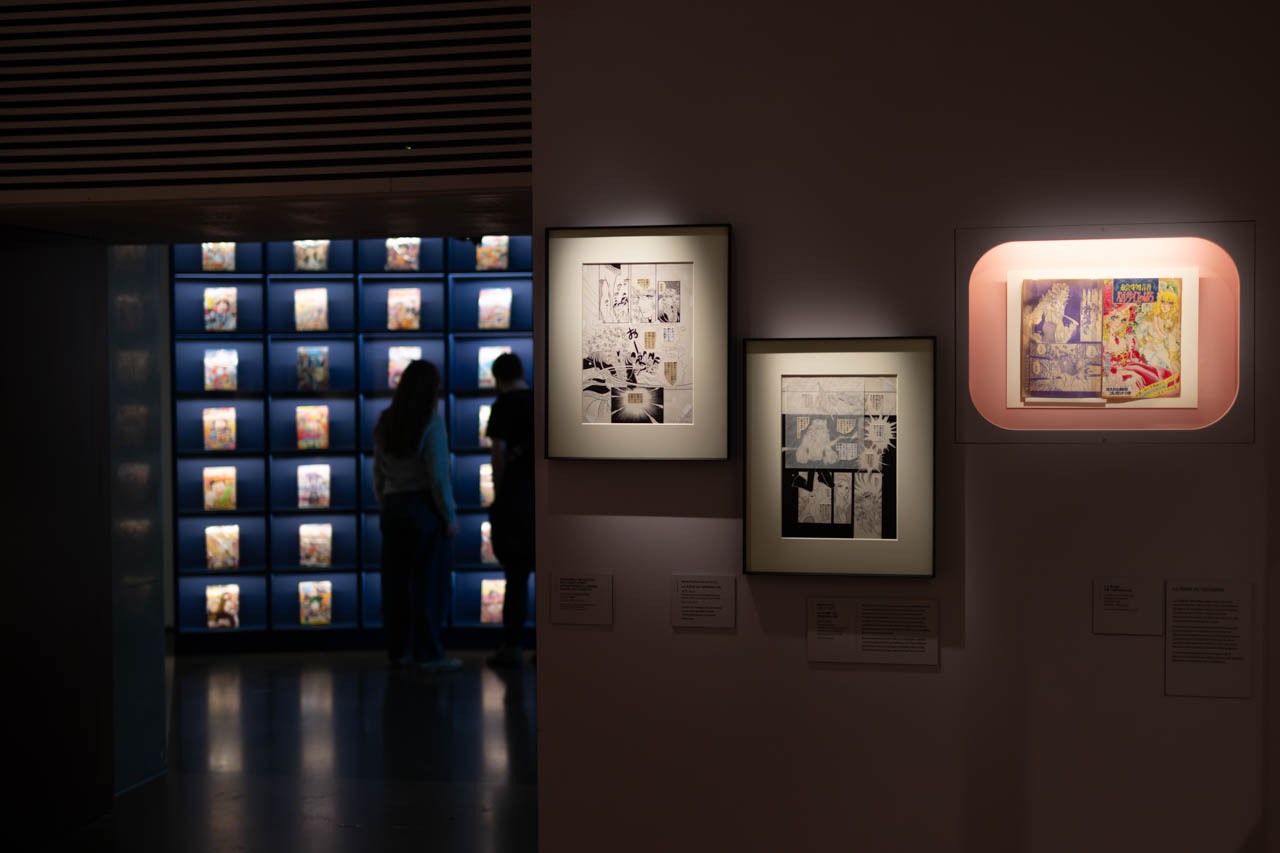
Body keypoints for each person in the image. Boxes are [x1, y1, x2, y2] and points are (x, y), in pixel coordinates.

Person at [373, 359, 461, 673]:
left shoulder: (386, 420)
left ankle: (399, 651)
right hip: (423, 508)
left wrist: (385, 502)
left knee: (396, 586)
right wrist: (448, 515)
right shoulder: (430, 421)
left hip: (393, 506)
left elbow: (378, 472)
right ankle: (429, 654)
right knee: (429, 585)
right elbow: (437, 475)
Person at [485, 352, 535, 669]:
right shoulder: (539, 400)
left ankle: (512, 645)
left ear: (497, 378)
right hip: (542, 499)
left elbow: (498, 453)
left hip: (514, 499)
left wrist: (499, 491)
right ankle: (549, 645)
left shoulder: (502, 405)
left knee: (515, 577)